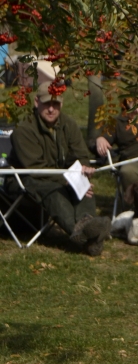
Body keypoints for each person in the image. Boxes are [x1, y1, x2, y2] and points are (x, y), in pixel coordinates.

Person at [10, 82, 111, 255]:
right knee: (55, 193)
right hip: (27, 179)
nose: (51, 109)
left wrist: (83, 169)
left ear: (61, 104)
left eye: (55, 104)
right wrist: (68, 180)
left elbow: (81, 154)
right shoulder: (24, 130)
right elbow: (35, 168)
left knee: (84, 188)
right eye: (46, 104)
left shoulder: (68, 124)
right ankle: (82, 233)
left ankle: (88, 226)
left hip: (60, 175)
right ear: (36, 102)